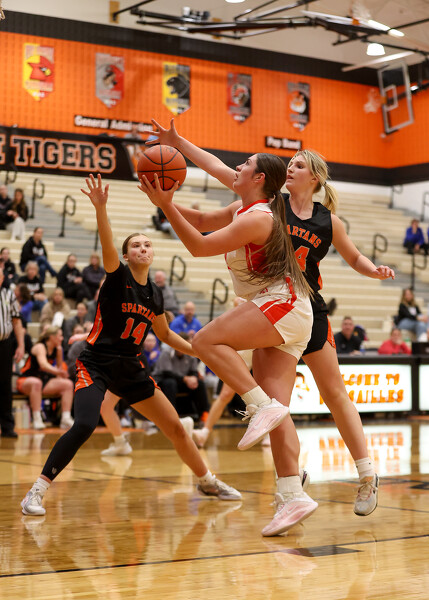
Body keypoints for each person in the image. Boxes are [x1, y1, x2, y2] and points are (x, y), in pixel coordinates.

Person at [148, 119, 395, 532]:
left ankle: (367, 473)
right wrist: (174, 160)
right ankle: (290, 490)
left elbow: (353, 257)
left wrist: (373, 270)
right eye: (290, 164)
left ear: (314, 178)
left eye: (299, 164)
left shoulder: (322, 219)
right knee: (278, 407)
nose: (291, 167)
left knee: (332, 394)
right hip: (271, 303)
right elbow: (213, 180)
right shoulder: (268, 201)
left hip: (301, 304)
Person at [20, 174, 241, 517]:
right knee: (84, 424)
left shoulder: (155, 293)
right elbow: (107, 242)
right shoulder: (117, 276)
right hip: (96, 363)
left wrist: (201, 352)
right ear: (126, 255)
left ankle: (207, 481)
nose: (143, 248)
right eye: (136, 245)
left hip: (131, 367)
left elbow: (165, 335)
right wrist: (101, 208)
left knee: (175, 428)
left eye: (147, 245)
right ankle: (36, 491)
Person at [142, 119, 316, 536]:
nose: (236, 168)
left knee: (205, 340)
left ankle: (256, 404)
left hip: (282, 302)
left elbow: (199, 245)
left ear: (259, 179)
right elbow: (203, 216)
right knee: (280, 415)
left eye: (245, 165)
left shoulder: (259, 217)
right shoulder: (244, 206)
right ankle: (292, 495)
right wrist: (166, 185)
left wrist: (166, 206)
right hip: (288, 310)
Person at [16, 326, 74, 430]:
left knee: (68, 384)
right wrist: (58, 371)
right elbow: (43, 365)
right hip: (26, 380)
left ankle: (65, 418)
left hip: (44, 381)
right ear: (52, 337)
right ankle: (37, 419)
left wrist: (61, 376)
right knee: (36, 383)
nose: (62, 338)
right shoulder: (40, 347)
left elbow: (59, 370)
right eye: (60, 336)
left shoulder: (58, 349)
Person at [152, 333, 210, 422]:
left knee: (200, 383)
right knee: (170, 383)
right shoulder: (166, 352)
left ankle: (203, 416)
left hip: (182, 382)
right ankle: (171, 416)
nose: (189, 346)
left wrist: (194, 378)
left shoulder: (191, 352)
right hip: (163, 381)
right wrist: (186, 379)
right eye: (187, 344)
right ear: (178, 344)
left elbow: (193, 371)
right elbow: (167, 373)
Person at [0, 266, 25, 438]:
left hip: (4, 344)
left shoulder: (9, 294)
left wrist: (21, 345)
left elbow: (16, 322)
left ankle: (7, 426)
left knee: (4, 384)